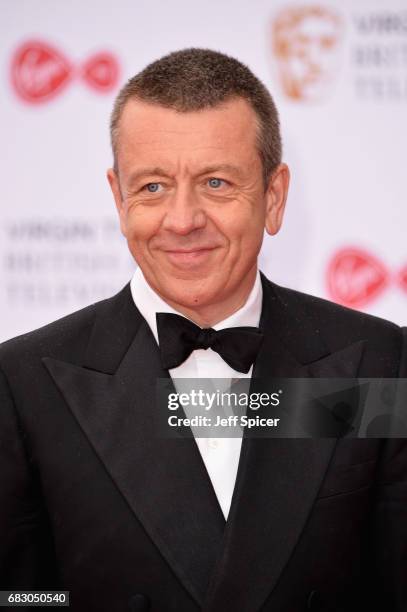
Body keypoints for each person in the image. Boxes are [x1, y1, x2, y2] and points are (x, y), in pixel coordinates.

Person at [0, 48, 406, 612]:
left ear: (274, 195)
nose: (183, 220)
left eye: (216, 183)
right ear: (118, 199)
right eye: (153, 187)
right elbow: (18, 595)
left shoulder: (376, 362)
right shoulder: (23, 383)